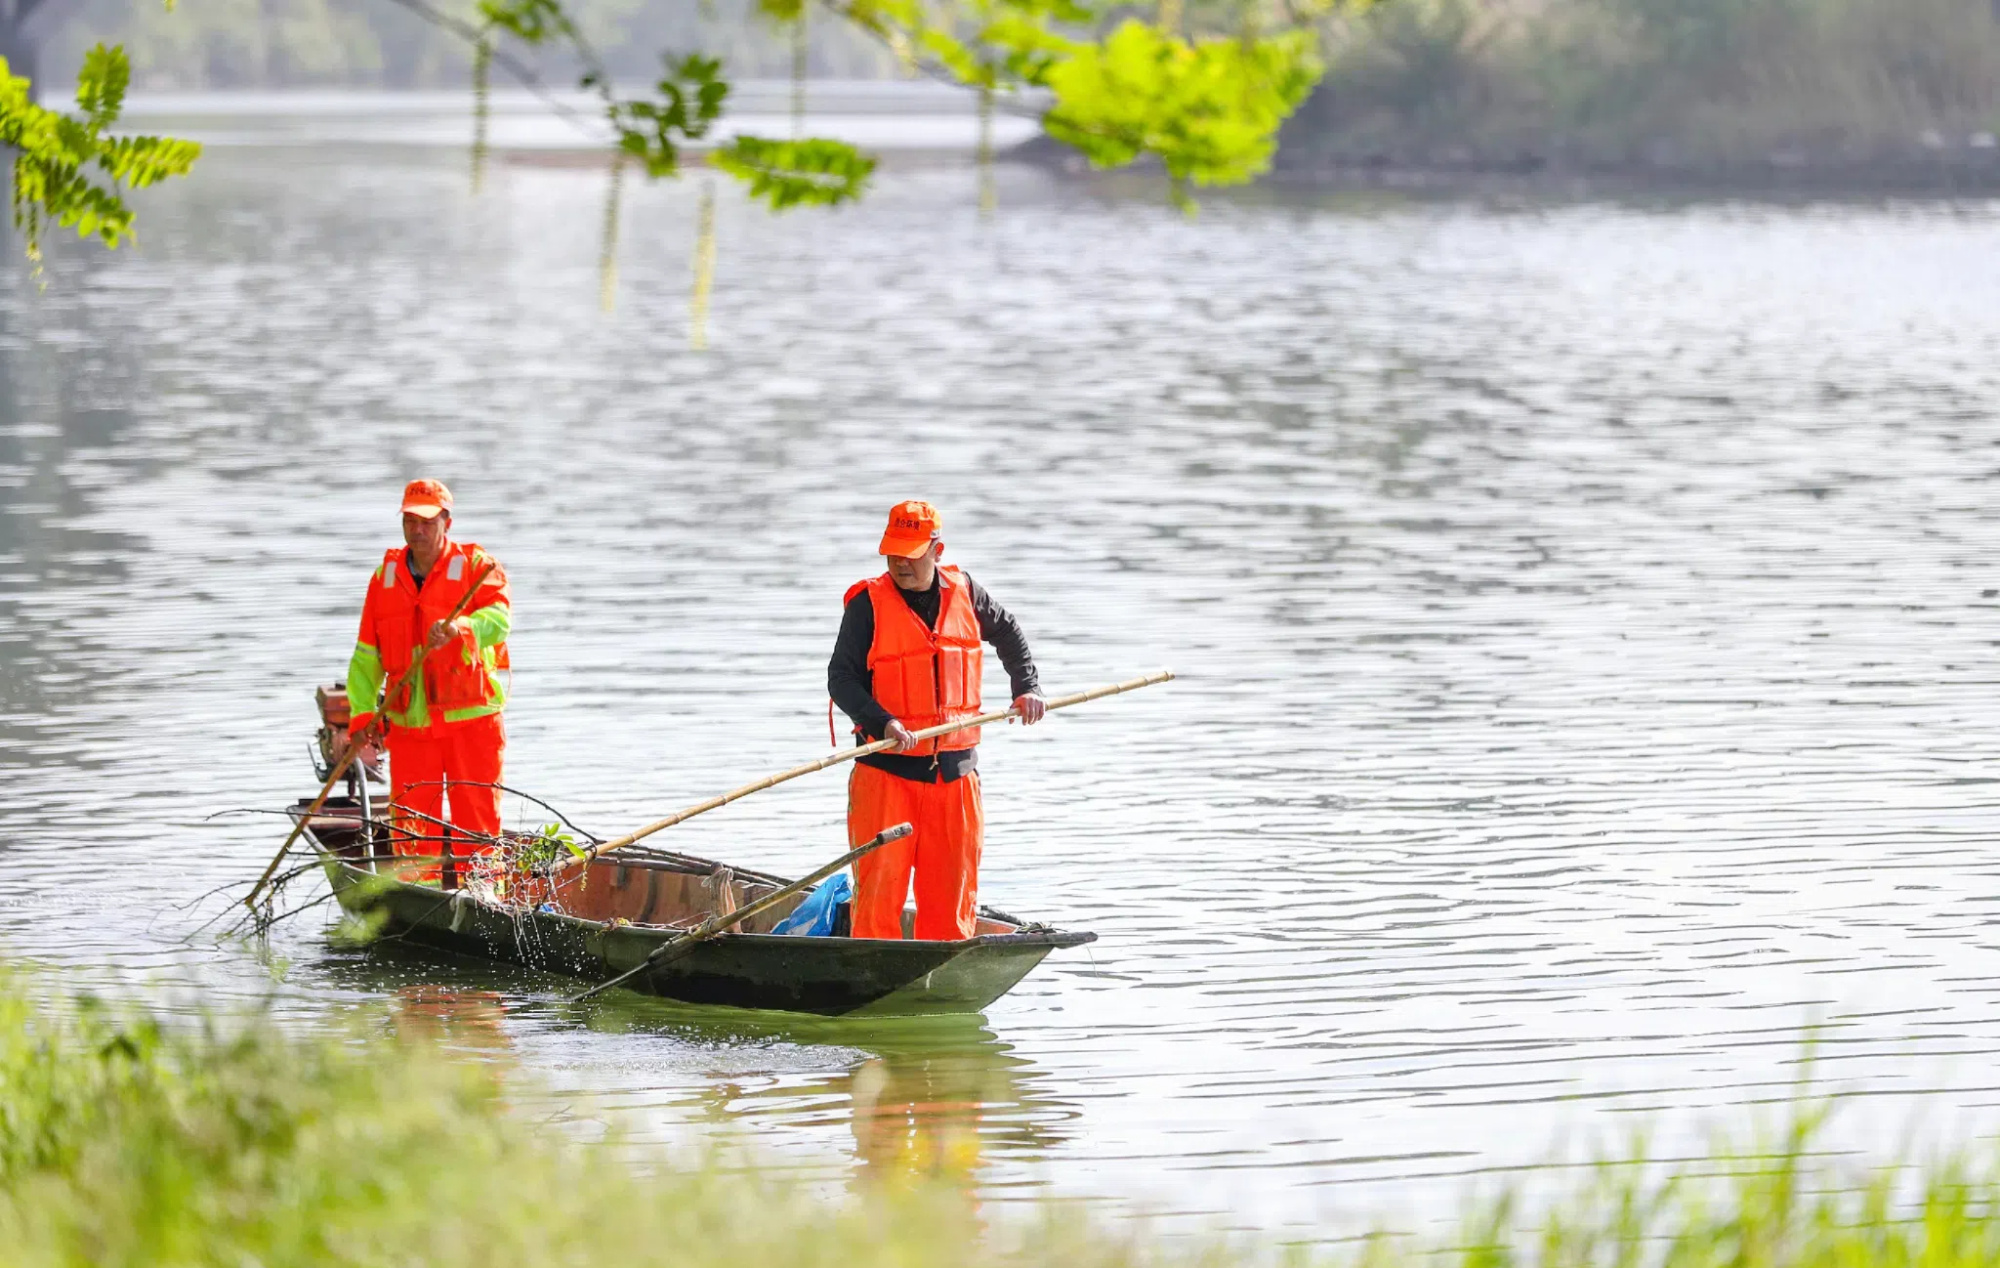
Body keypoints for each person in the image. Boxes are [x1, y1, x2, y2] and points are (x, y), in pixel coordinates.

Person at [828, 501, 1046, 940]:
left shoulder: (966, 591)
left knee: (952, 905)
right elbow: (842, 679)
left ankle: (944, 979)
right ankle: (874, 978)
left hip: (956, 780)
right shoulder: (866, 606)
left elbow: (1008, 631)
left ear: (936, 550)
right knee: (877, 905)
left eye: (910, 552)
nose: (899, 563)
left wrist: (1027, 687)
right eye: (893, 552)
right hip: (886, 778)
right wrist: (882, 721)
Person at [345, 479, 512, 879]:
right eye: (409, 521)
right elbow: (367, 656)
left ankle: (485, 895)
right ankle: (422, 896)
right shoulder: (384, 580)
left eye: (425, 521)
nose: (417, 530)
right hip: (409, 726)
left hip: (471, 724)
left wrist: (462, 627)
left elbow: (500, 621)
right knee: (412, 824)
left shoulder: (477, 567)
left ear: (446, 522)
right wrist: (361, 715)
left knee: (478, 819)